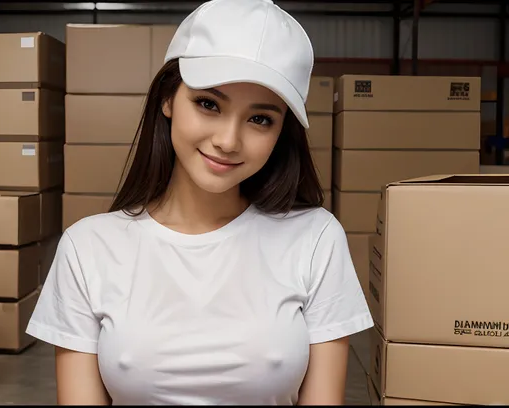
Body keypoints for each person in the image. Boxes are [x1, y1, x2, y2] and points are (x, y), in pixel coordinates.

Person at [26, 0, 374, 404]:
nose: (228, 140)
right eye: (209, 104)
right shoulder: (87, 248)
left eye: (260, 119)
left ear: (282, 133)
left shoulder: (316, 239)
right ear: (168, 99)